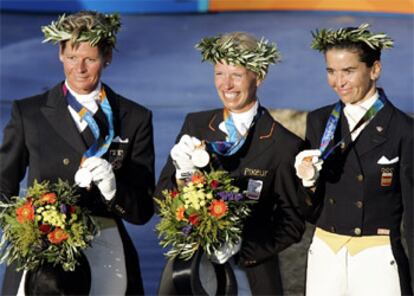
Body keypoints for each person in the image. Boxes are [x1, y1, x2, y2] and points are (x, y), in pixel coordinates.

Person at [0, 11, 155, 295]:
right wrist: (19, 226)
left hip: (107, 248)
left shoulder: (134, 118)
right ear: (60, 53)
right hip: (40, 248)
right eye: (72, 57)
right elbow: (3, 183)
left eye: (90, 59)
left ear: (107, 57)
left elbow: (143, 211)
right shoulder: (29, 113)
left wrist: (114, 190)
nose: (79, 68)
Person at [155, 32, 305, 295]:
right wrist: (181, 173)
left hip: (252, 274)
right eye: (219, 74)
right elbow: (161, 198)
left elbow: (292, 223)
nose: (227, 85)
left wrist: (243, 247)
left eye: (236, 75)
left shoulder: (283, 144)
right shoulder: (196, 125)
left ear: (258, 75)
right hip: (191, 273)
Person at [295, 24, 413, 296]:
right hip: (325, 253)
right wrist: (308, 183)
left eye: (348, 71)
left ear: (375, 70)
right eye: (331, 71)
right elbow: (308, 209)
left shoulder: (404, 131)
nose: (339, 82)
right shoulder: (319, 121)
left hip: (378, 257)